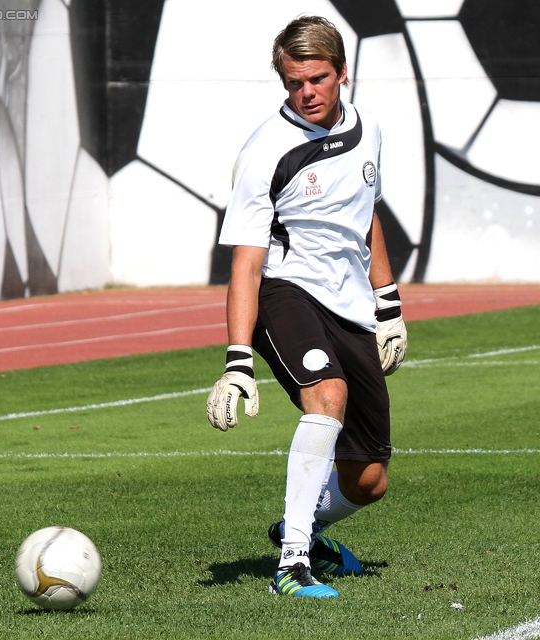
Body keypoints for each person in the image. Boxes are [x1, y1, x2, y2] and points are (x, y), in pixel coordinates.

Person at [206, 15, 408, 599]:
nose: (306, 93)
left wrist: (388, 302)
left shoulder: (368, 130)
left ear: (343, 73)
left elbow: (365, 213)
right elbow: (245, 264)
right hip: (284, 292)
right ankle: (292, 567)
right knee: (328, 397)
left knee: (369, 479)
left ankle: (303, 527)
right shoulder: (266, 150)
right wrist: (237, 360)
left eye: (317, 79)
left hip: (350, 305)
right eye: (293, 83)